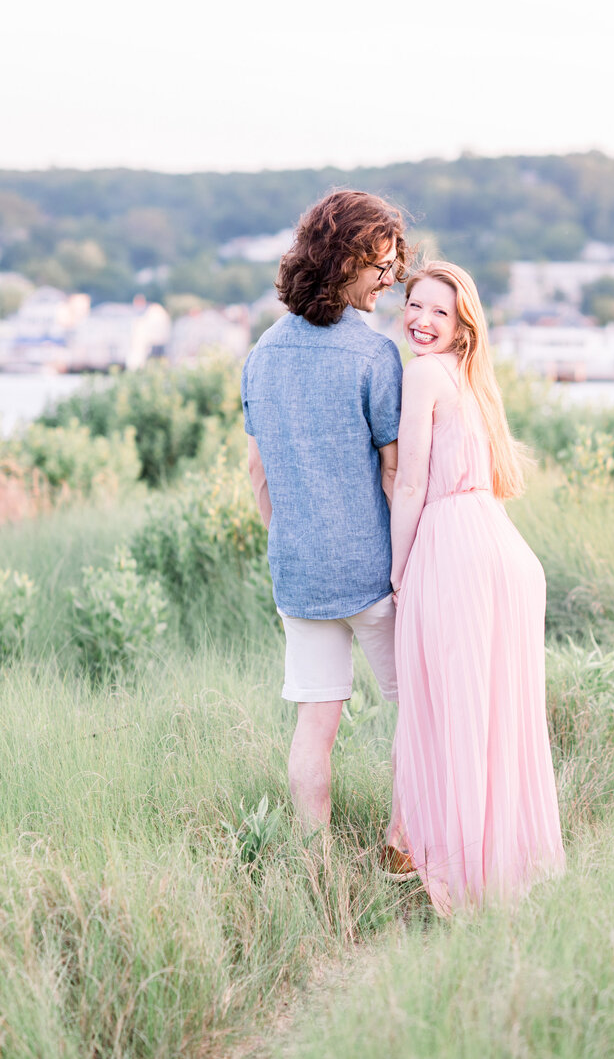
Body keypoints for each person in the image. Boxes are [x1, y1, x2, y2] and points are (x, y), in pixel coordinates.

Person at [388, 260, 565, 913]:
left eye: (440, 311)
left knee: (446, 713)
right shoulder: (473, 380)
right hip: (501, 550)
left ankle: (459, 881)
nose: (422, 320)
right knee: (494, 717)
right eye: (414, 304)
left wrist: (397, 570)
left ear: (463, 325)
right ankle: (495, 874)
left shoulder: (425, 373)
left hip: (454, 551)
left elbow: (409, 484)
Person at [241, 189, 412, 832]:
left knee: (316, 724)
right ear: (343, 260)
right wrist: (407, 563)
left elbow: (257, 471)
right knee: (415, 712)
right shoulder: (373, 355)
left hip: (299, 575)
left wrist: (286, 537)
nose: (387, 280)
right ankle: (403, 844)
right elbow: (394, 473)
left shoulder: (262, 353)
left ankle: (313, 864)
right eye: (379, 266)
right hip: (371, 573)